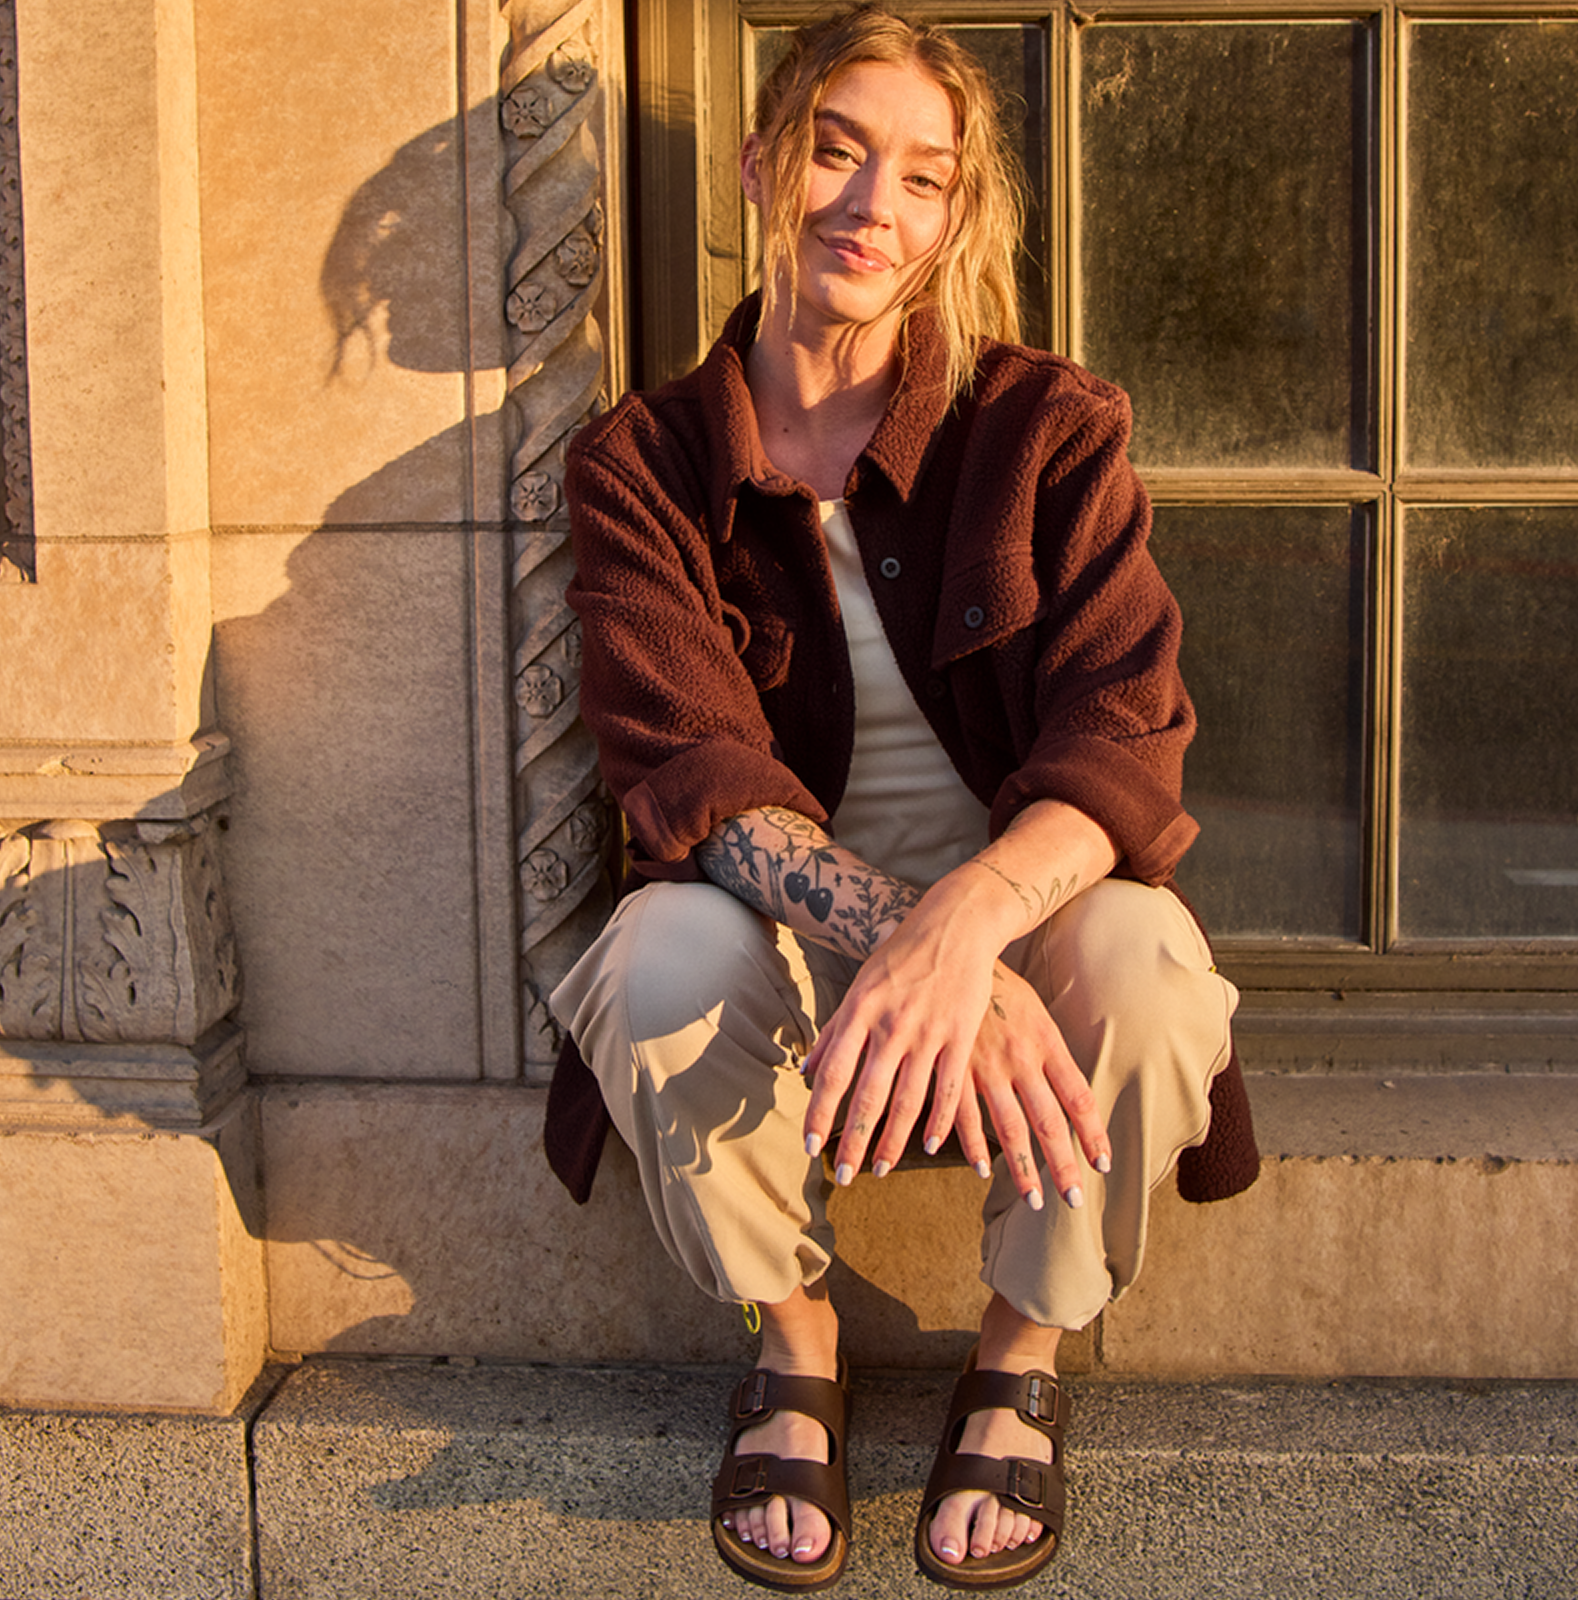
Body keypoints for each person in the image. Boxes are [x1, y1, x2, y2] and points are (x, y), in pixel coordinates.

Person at [546, 5, 1258, 1589]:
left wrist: (968, 934)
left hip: (1027, 923)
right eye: (837, 151)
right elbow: (694, 774)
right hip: (791, 952)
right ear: (760, 167)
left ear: (952, 217)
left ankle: (1019, 1354)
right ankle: (792, 1339)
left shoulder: (1044, 429)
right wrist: (912, 946)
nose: (874, 205)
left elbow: (1122, 738)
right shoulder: (643, 463)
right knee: (655, 962)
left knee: (1144, 966)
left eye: (923, 177)